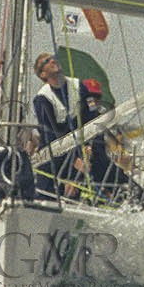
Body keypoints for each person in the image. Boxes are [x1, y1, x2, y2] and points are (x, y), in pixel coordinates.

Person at [32, 52, 88, 194]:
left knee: (104, 164)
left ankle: (140, 200)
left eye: (54, 58)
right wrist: (73, 160)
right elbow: (50, 135)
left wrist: (89, 147)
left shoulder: (79, 87)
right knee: (47, 186)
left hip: (82, 145)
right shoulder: (42, 99)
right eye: (47, 61)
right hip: (55, 154)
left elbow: (93, 118)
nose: (53, 61)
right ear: (43, 75)